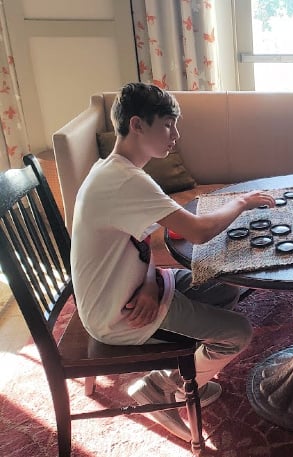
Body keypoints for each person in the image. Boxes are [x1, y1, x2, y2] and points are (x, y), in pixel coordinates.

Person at [70, 82, 276, 441]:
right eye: (167, 124)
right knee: (238, 332)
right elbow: (198, 231)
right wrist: (242, 203)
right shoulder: (125, 181)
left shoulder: (114, 170)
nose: (175, 135)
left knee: (224, 284)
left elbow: (141, 238)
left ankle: (186, 376)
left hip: (136, 288)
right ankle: (162, 386)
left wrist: (150, 282)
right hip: (118, 313)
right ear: (137, 125)